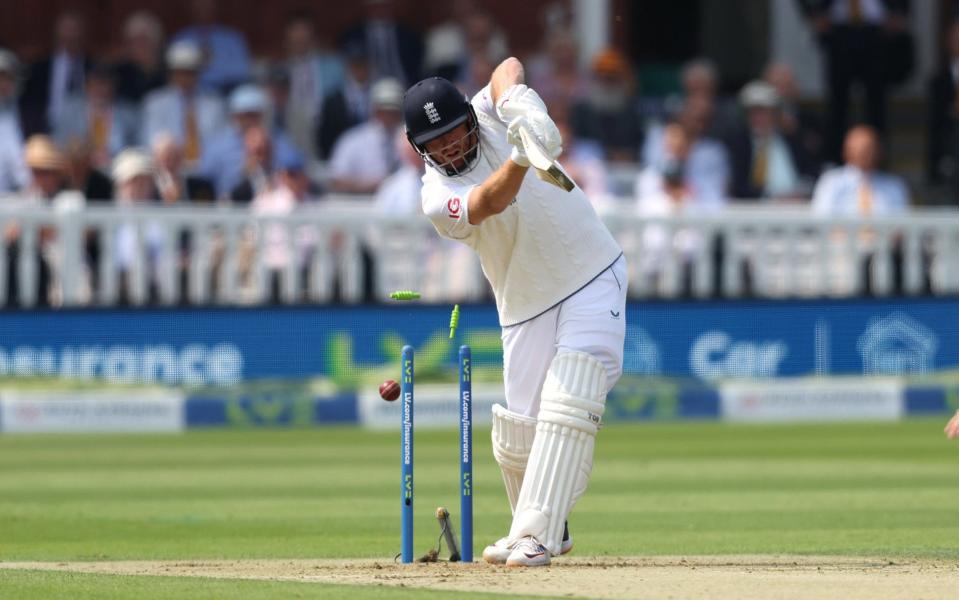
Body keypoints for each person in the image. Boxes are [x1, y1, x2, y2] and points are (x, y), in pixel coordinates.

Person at [403, 58, 626, 567]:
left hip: (592, 270)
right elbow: (486, 202)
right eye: (436, 143)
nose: (452, 147)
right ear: (420, 148)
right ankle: (552, 526)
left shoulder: (489, 111)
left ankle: (535, 537)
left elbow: (507, 66)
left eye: (456, 132)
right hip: (524, 304)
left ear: (470, 117)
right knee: (517, 432)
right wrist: (523, 158)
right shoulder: (435, 196)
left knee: (571, 392)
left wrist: (518, 105)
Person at [812, 125, 910, 294]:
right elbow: (821, 221)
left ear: (879, 151)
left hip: (884, 254)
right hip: (843, 252)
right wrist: (855, 239)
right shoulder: (831, 182)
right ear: (846, 151)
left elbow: (903, 225)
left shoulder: (894, 185)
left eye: (869, 148)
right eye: (858, 148)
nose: (864, 153)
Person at [141, 41, 226, 169]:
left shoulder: (214, 103)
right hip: (168, 166)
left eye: (190, 72)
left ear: (198, 73)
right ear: (171, 73)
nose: (185, 77)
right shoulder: (155, 102)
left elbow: (221, 140)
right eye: (180, 72)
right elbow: (151, 140)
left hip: (209, 169)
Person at [726, 80, 809, 200]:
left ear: (775, 114)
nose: (758, 118)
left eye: (764, 112)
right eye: (753, 112)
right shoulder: (738, 145)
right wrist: (771, 196)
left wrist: (802, 191)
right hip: (753, 212)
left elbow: (811, 173)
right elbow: (737, 186)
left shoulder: (793, 142)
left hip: (796, 209)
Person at [18, 10, 91, 136]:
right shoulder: (39, 68)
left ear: (82, 34)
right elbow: (29, 106)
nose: (70, 35)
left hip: (85, 132)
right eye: (66, 30)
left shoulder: (92, 66)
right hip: (46, 131)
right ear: (57, 35)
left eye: (74, 30)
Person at [328, 78, 404, 193]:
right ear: (374, 110)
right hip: (360, 206)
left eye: (394, 112)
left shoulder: (409, 141)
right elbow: (336, 181)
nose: (389, 117)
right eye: (383, 111)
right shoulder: (352, 141)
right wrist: (370, 185)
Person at [171, 0, 252, 93]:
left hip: (226, 93)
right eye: (199, 7)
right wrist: (197, 62)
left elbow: (243, 72)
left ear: (215, 9)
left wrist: (215, 63)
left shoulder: (232, 39)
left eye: (207, 7)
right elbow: (175, 74)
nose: (203, 11)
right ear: (192, 10)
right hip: (189, 94)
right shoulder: (182, 38)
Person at [112, 11, 167, 104]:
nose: (138, 46)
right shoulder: (118, 73)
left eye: (144, 40)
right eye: (133, 42)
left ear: (157, 42)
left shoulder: (168, 72)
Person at [0, 49, 28, 193]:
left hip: (10, 200)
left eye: (7, 79)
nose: (3, 84)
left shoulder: (24, 114)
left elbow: (19, 168)